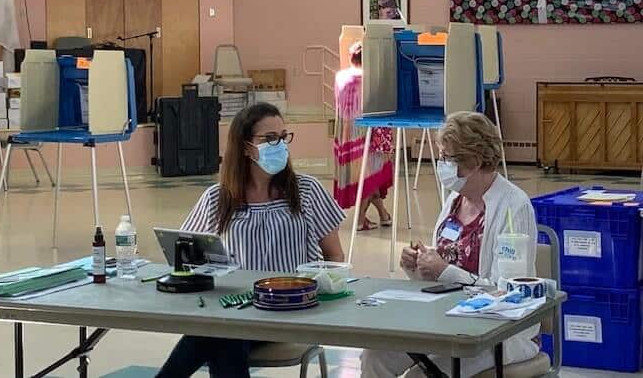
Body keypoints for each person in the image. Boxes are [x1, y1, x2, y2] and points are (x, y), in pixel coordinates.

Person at [157, 103, 345, 378]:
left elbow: (335, 257)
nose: (279, 144)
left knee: (219, 334)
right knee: (223, 332)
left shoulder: (307, 190)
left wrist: (319, 297)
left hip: (291, 308)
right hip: (237, 306)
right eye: (269, 139)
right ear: (245, 147)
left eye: (283, 137)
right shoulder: (217, 198)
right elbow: (186, 256)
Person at [360, 112, 539, 378]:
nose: (441, 164)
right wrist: (417, 265)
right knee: (375, 355)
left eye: (448, 158)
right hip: (443, 318)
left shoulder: (514, 206)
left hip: (495, 331)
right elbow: (440, 270)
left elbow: (507, 294)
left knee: (421, 376)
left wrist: (444, 270)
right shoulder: (455, 199)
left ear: (476, 161)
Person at [334, 41, 393, 230]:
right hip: (367, 132)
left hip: (345, 134)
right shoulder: (369, 79)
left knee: (366, 178)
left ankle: (384, 215)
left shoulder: (340, 76)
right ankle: (360, 219)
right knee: (369, 178)